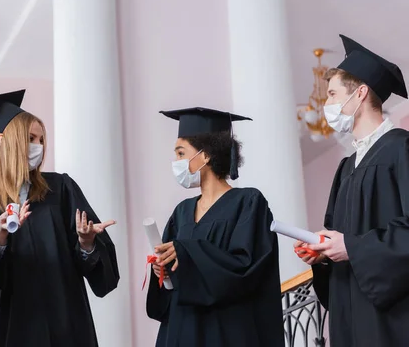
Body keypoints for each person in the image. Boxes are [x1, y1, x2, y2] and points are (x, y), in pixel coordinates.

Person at [0, 90, 120, 347]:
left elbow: (101, 274)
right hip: (9, 326)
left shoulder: (60, 189)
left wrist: (86, 244)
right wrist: (0, 237)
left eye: (41, 140)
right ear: (3, 141)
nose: (38, 147)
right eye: (30, 138)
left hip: (64, 321)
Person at [295, 35, 409, 346]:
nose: (326, 104)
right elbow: (341, 238)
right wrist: (323, 253)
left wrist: (354, 248)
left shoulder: (401, 147)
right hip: (349, 307)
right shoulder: (346, 167)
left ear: (359, 94)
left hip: (391, 316)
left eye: (332, 94)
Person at [147, 107, 284, 347]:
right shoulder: (181, 212)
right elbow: (170, 287)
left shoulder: (248, 203)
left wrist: (186, 254)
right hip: (182, 329)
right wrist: (163, 272)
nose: (176, 162)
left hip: (226, 331)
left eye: (181, 153)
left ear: (206, 155)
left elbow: (246, 268)